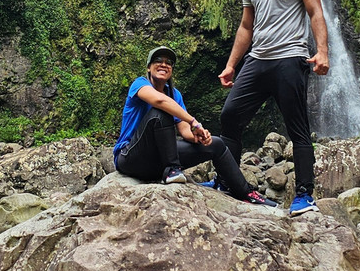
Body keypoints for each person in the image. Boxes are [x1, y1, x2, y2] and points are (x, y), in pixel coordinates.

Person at [215, 0, 330, 216]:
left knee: (297, 126)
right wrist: (231, 65)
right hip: (258, 59)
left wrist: (322, 52)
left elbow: (315, 12)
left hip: (290, 57)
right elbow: (245, 27)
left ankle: (304, 194)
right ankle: (228, 183)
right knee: (229, 116)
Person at [113, 45, 275, 206]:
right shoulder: (139, 84)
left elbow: (185, 131)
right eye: (158, 60)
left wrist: (198, 136)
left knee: (216, 143)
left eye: (168, 62)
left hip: (157, 163)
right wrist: (194, 122)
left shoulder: (174, 95)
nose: (164, 64)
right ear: (149, 68)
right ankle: (173, 170)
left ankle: (244, 192)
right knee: (161, 112)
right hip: (131, 158)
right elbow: (160, 101)